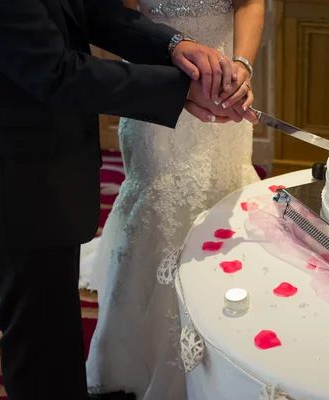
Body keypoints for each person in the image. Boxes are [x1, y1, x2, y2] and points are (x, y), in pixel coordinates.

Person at [0, 1, 255, 399]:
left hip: (48, 168)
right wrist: (176, 88)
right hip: (18, 175)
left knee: (53, 323)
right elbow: (56, 71)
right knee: (37, 336)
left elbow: (88, 11)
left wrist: (173, 44)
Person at [85, 0, 265, 398]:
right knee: (159, 205)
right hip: (156, 92)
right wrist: (173, 83)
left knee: (222, 195)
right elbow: (118, 20)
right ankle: (144, 355)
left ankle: (228, 338)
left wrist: (241, 67)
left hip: (225, 93)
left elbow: (251, 2)